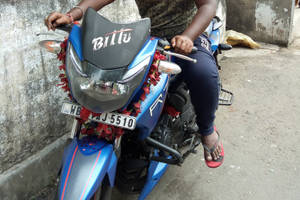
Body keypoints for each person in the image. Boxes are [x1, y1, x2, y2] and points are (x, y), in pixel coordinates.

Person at [45, 0, 224, 168]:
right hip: (152, 38)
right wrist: (71, 15)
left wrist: (188, 36)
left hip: (189, 36)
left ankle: (208, 130)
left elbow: (208, 4)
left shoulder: (190, 34)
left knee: (203, 73)